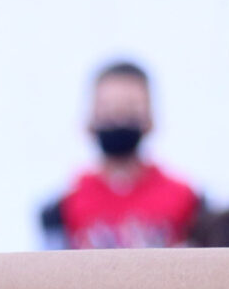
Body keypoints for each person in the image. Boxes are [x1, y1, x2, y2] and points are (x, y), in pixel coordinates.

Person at [40, 62, 203, 250]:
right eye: (108, 110)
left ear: (149, 120)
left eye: (130, 109)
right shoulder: (63, 205)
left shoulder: (187, 200)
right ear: (91, 120)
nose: (118, 119)